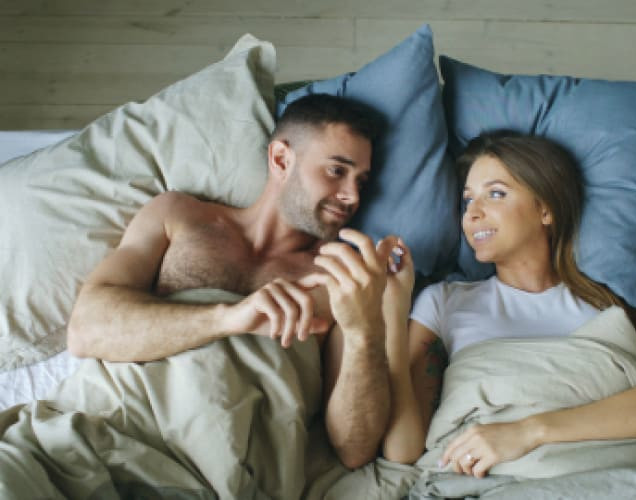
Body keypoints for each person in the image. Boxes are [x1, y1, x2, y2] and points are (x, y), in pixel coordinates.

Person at [67, 93, 403, 469]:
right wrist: (227, 319)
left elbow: (354, 448)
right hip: (94, 436)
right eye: (336, 171)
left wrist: (365, 331)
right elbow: (85, 330)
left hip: (209, 468)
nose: (352, 196)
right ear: (281, 159)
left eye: (362, 180)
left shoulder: (341, 281)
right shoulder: (179, 216)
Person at [381, 133, 636, 476]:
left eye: (496, 194)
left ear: (545, 209)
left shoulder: (618, 299)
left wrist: (528, 431)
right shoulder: (443, 302)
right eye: (468, 200)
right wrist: (393, 310)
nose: (472, 213)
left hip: (625, 475)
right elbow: (404, 451)